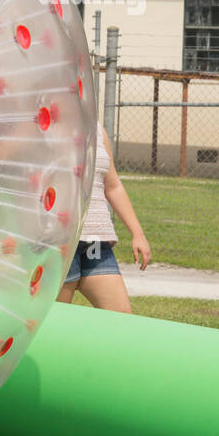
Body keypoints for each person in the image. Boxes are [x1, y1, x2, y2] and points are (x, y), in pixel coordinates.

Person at [57, 122, 151, 312]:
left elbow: (113, 185)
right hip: (59, 242)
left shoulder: (96, 129)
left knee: (122, 320)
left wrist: (137, 234)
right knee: (49, 324)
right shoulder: (41, 124)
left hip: (94, 241)